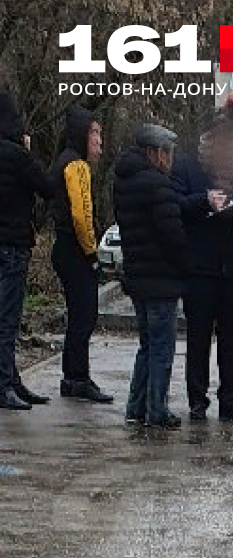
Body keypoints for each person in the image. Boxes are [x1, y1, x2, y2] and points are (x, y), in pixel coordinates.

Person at [175, 115, 233, 422]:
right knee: (198, 339)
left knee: (232, 341)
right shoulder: (188, 168)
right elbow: (175, 205)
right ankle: (197, 401)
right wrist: (204, 201)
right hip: (199, 269)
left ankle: (230, 402)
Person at [113, 123, 187, 429]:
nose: (170, 160)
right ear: (155, 153)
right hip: (161, 278)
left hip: (138, 276)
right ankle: (157, 409)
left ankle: (136, 407)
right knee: (161, 348)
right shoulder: (158, 186)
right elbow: (172, 236)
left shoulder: (123, 182)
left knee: (146, 345)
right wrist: (186, 262)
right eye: (167, 153)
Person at [50, 105, 112, 404]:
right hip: (74, 250)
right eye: (95, 133)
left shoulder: (64, 161)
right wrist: (92, 253)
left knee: (78, 314)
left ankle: (74, 375)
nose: (100, 141)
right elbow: (82, 214)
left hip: (64, 248)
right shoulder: (77, 167)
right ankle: (77, 378)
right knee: (84, 315)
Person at [0, 89, 54, 410]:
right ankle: (5, 384)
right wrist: (27, 151)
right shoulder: (17, 156)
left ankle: (12, 379)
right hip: (14, 246)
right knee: (7, 319)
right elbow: (46, 187)